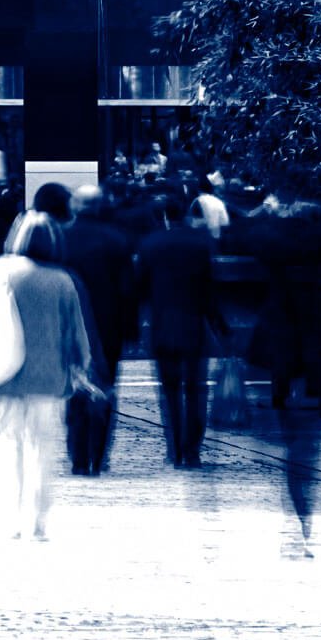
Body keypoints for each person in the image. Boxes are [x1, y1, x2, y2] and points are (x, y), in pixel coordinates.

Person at [0, 212, 103, 540]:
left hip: (3, 377)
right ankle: (37, 522)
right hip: (49, 379)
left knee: (7, 449)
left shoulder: (0, 274)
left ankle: (10, 520)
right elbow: (78, 337)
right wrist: (81, 368)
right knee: (42, 451)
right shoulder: (62, 280)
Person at [135, 192, 228, 468]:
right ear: (185, 215)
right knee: (195, 390)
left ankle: (174, 448)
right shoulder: (201, 244)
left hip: (163, 326)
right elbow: (209, 291)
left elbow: (139, 288)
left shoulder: (150, 244)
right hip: (193, 326)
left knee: (170, 391)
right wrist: (220, 327)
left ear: (164, 216)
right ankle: (192, 451)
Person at [62, 185, 135, 475]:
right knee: (105, 388)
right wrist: (129, 331)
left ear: (76, 206)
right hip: (108, 329)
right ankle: (98, 455)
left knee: (72, 389)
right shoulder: (117, 240)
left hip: (69, 326)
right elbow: (127, 290)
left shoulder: (62, 237)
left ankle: (77, 455)